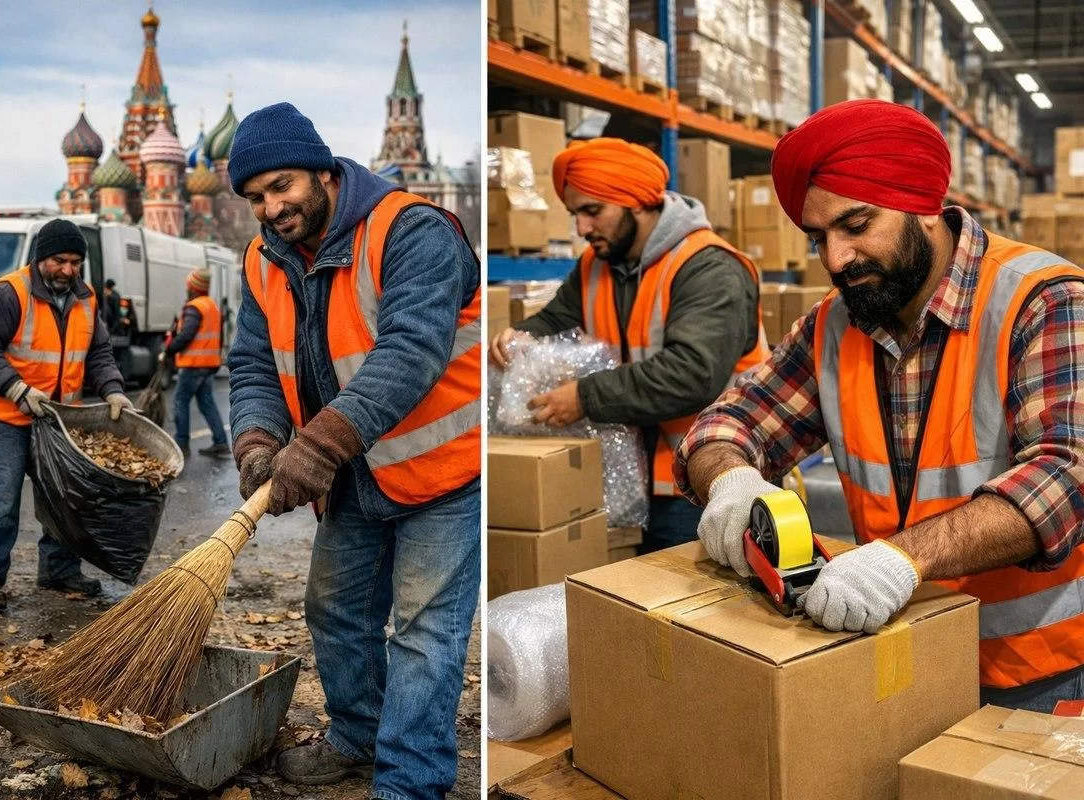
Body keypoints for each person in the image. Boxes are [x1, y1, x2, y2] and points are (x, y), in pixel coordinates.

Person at [676, 99, 1084, 713]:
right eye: (818, 238)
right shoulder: (835, 326)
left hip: (1036, 670)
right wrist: (730, 480)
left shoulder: (1044, 301)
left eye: (856, 224)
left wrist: (904, 557)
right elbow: (730, 422)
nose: (835, 259)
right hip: (898, 650)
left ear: (924, 205)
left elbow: (1067, 473)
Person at [226, 102, 480, 799]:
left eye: (281, 186)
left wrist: (317, 447)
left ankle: (409, 781)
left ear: (323, 171)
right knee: (336, 613)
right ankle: (359, 737)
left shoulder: (412, 229)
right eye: (255, 198)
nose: (271, 208)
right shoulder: (263, 259)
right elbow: (253, 364)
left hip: (443, 473)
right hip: (354, 477)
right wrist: (257, 440)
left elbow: (410, 350)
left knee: (424, 634)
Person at [489, 137, 769, 552]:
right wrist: (520, 337)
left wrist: (584, 397)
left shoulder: (709, 268)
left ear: (636, 202)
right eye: (575, 214)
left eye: (592, 211)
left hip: (705, 474)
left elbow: (692, 374)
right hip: (631, 475)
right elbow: (556, 319)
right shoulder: (595, 266)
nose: (582, 229)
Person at [0, 218, 135, 611]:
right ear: (41, 258)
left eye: (75, 262)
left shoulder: (85, 298)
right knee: (1, 496)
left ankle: (58, 569)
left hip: (56, 419)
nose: (68, 270)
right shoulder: (8, 292)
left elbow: (98, 353)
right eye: (60, 261)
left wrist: (113, 390)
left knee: (63, 495)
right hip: (3, 415)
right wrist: (18, 390)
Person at [161, 268, 229, 457]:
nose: (187, 288)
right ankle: (221, 442)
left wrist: (168, 350)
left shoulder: (194, 307)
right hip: (208, 364)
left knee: (180, 401)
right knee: (206, 403)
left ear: (193, 287)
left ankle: (181, 444)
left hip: (193, 364)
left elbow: (186, 335)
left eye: (188, 285)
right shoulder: (212, 306)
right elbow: (218, 337)